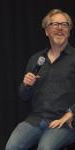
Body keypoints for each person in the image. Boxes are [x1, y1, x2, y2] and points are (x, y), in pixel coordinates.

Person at [5, 9, 75, 150]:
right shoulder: (36, 59)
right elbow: (24, 96)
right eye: (55, 24)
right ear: (46, 31)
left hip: (64, 122)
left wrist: (71, 113)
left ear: (69, 30)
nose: (60, 28)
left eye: (64, 24)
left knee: (45, 148)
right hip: (36, 120)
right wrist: (27, 85)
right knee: (11, 147)